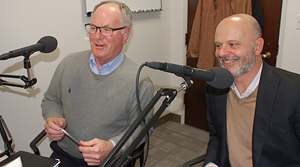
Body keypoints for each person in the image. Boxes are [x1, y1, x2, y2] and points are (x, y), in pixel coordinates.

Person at [41, 1, 154, 166]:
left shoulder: (140, 82)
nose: (97, 36)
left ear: (125, 34)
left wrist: (112, 146)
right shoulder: (69, 64)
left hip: (109, 161)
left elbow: (141, 130)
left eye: (107, 29)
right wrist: (53, 117)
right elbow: (51, 99)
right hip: (64, 156)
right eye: (93, 28)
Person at [204, 14, 300, 167]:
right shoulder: (215, 86)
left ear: (257, 47)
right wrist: (211, 164)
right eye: (218, 45)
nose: (222, 53)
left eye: (233, 44)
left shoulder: (294, 92)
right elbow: (216, 135)